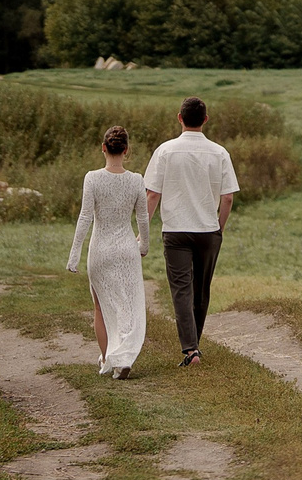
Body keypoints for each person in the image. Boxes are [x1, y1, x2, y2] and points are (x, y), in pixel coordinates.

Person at [142, 97, 238, 365]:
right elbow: (228, 197)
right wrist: (218, 228)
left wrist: (143, 230)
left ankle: (190, 349)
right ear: (205, 120)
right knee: (201, 289)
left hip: (175, 231)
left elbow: (152, 194)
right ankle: (195, 343)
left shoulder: (165, 151)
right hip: (208, 230)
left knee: (181, 290)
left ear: (179, 118)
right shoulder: (219, 153)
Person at [66, 125, 149, 377]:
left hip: (100, 249)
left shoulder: (92, 178)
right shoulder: (136, 180)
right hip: (126, 249)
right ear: (126, 150)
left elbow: (85, 217)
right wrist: (144, 245)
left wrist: (74, 253)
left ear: (104, 148)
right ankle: (124, 357)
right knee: (128, 305)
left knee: (101, 306)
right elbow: (143, 218)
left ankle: (107, 359)